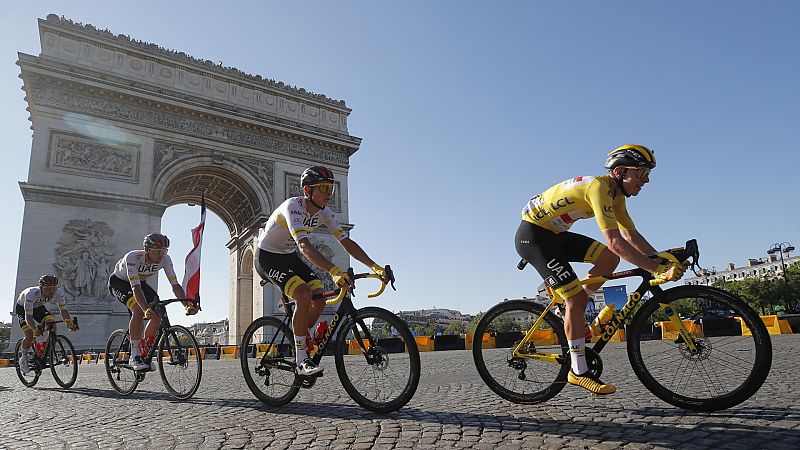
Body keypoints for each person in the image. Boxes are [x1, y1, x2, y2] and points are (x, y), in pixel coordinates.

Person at [515, 144, 688, 395]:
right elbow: (616, 242)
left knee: (608, 260)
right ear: (620, 172)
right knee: (576, 298)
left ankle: (572, 307)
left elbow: (630, 235)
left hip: (554, 235)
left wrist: (660, 261)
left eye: (648, 174)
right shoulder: (599, 188)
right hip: (533, 237)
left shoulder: (615, 196)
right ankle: (578, 371)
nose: (646, 180)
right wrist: (654, 268)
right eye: (641, 173)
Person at [256, 165, 386, 376]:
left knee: (319, 297)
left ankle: (302, 337)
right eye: (323, 188)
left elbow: (347, 243)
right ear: (308, 191)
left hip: (287, 255)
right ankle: (301, 361)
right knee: (303, 294)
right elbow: (304, 246)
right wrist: (335, 271)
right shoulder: (293, 207)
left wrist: (375, 266)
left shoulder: (326, 213)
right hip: (267, 257)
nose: (328, 194)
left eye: (331, 189)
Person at [108, 233, 195, 371]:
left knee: (158, 313)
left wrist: (187, 306)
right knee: (137, 309)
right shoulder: (133, 257)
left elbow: (175, 285)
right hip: (120, 283)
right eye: (157, 252)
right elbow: (135, 288)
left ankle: (145, 351)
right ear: (147, 250)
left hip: (139, 283)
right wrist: (144, 309)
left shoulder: (165, 260)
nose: (160, 256)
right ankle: (135, 356)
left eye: (164, 251)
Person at [15, 275, 77, 375]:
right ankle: (24, 358)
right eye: (47, 289)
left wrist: (68, 322)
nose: (51, 292)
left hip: (38, 307)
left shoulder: (58, 292)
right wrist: (35, 329)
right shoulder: (31, 293)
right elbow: (29, 316)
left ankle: (48, 345)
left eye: (53, 289)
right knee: (29, 334)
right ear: (41, 288)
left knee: (51, 322)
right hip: (23, 309)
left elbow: (63, 310)